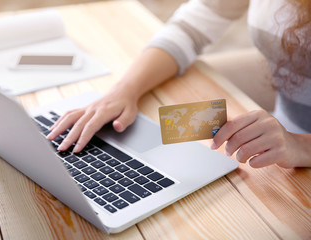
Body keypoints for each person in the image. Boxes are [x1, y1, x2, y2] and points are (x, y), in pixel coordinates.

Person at [47, 0, 311, 168]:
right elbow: (191, 26)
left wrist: (300, 145)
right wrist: (123, 91)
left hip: (301, 145)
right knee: (156, 120)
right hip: (283, 106)